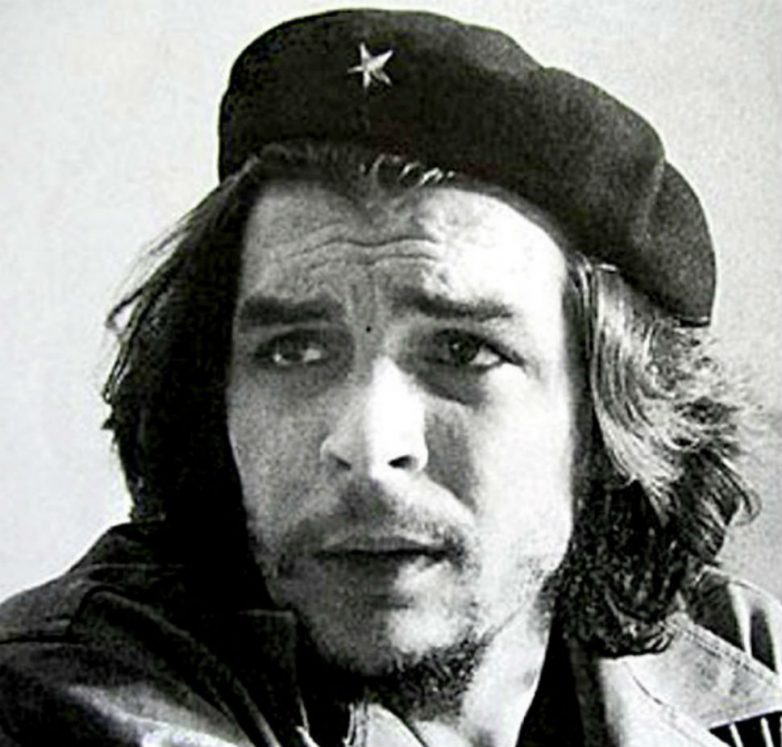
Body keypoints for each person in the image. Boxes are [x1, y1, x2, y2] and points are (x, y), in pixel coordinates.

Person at [0, 8, 780, 746]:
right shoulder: (62, 695)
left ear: (610, 425)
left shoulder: (747, 663)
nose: (367, 445)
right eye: (293, 350)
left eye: (463, 351)